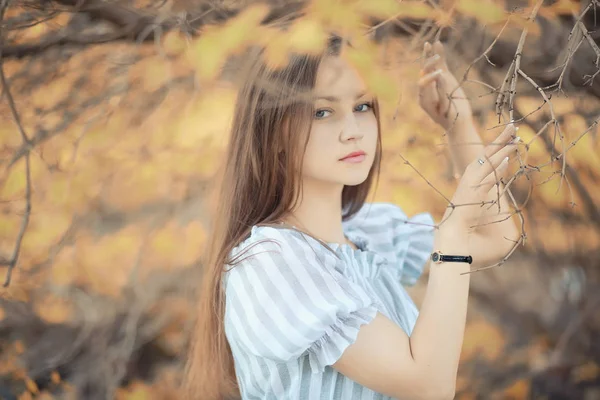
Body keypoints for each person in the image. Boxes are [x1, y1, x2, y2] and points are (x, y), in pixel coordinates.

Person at [183, 35, 520, 399]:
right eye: (322, 112)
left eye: (362, 106)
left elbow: (496, 238)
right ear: (274, 130)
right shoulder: (272, 263)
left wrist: (458, 125)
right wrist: (452, 236)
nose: (353, 131)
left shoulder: (368, 231)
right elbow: (429, 386)